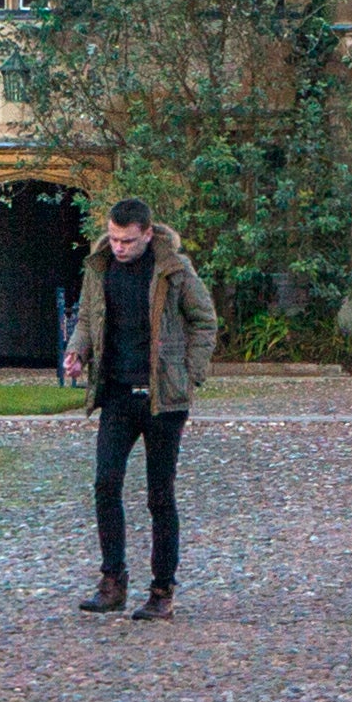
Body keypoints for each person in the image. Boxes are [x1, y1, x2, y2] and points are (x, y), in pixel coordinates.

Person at [55, 196, 216, 621]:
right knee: (105, 484)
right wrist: (77, 352)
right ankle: (113, 580)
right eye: (113, 238)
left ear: (147, 233)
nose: (119, 247)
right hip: (117, 393)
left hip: (164, 398)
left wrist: (190, 374)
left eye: (127, 240)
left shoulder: (174, 269)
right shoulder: (100, 265)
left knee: (160, 496)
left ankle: (162, 590)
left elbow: (205, 321)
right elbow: (89, 319)